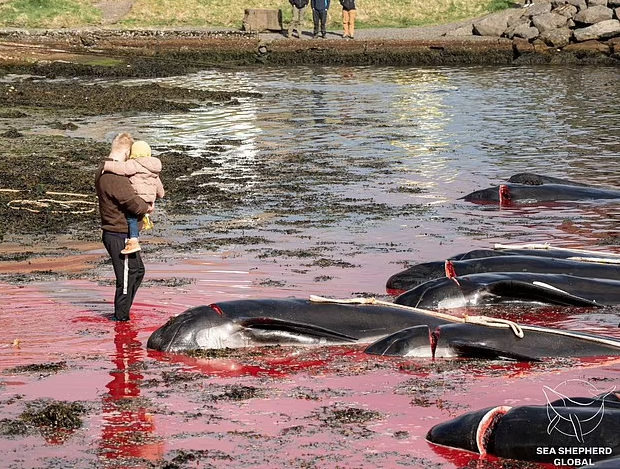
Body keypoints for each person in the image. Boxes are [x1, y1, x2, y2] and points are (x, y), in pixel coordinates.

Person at [95, 132, 151, 322]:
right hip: (118, 234)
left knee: (138, 271)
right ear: (127, 152)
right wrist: (148, 206)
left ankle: (123, 312)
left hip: (119, 233)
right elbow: (133, 204)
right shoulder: (114, 177)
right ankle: (120, 320)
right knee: (126, 279)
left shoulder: (104, 169)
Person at [103, 140, 165, 255]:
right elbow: (160, 188)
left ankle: (133, 241)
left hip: (138, 198)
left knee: (131, 218)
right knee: (138, 218)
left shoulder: (135, 163)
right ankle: (145, 220)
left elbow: (122, 169)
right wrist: (157, 196)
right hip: (149, 200)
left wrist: (107, 165)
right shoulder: (154, 169)